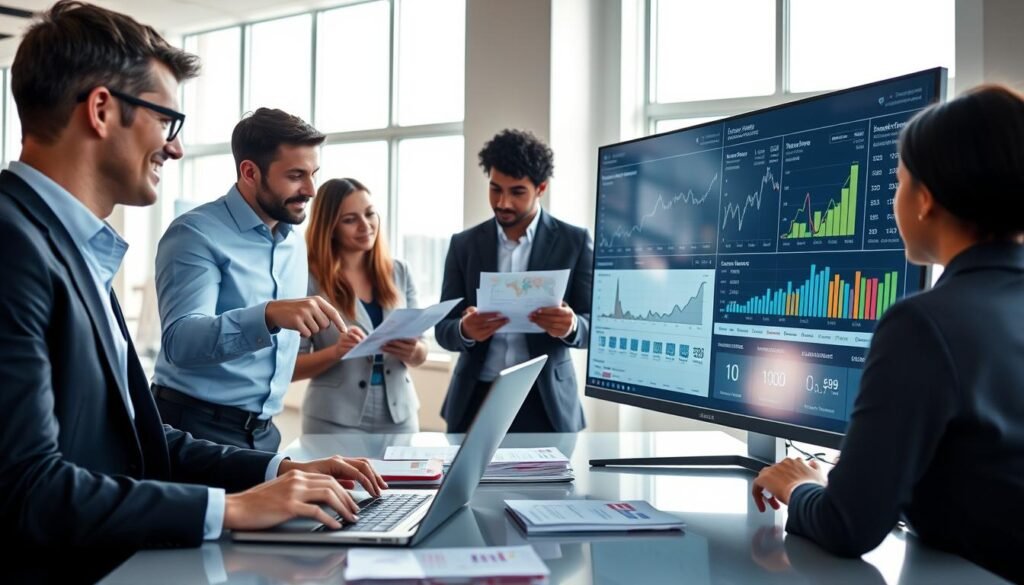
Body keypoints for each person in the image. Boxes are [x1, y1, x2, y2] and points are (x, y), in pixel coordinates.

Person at [0, 1, 387, 549]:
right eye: (166, 120)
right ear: (103, 111)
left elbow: (143, 439)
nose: (176, 147)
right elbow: (26, 488)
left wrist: (276, 470)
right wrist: (227, 509)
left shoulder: (75, 248)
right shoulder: (13, 245)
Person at [751, 85, 1024, 583]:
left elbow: (848, 525)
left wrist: (803, 485)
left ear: (924, 200)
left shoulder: (922, 325)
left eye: (897, 182)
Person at [152, 108, 340, 451]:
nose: (311, 189)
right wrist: (267, 315)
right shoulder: (195, 233)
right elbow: (180, 342)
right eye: (296, 175)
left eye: (313, 173)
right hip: (193, 429)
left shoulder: (294, 245)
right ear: (250, 172)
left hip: (265, 433)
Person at [435, 129, 593, 433]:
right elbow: (443, 330)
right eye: (495, 189)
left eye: (517, 191)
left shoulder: (574, 242)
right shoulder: (463, 245)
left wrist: (571, 325)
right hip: (475, 397)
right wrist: (464, 329)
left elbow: (595, 327)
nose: (503, 202)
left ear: (541, 188)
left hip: (547, 400)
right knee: (471, 481)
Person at [293, 178, 427, 433]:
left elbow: (421, 350)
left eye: (369, 214)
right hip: (334, 418)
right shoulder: (308, 280)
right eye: (350, 219)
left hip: (400, 416)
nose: (365, 226)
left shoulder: (399, 271)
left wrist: (414, 351)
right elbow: (291, 367)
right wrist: (335, 352)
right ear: (330, 227)